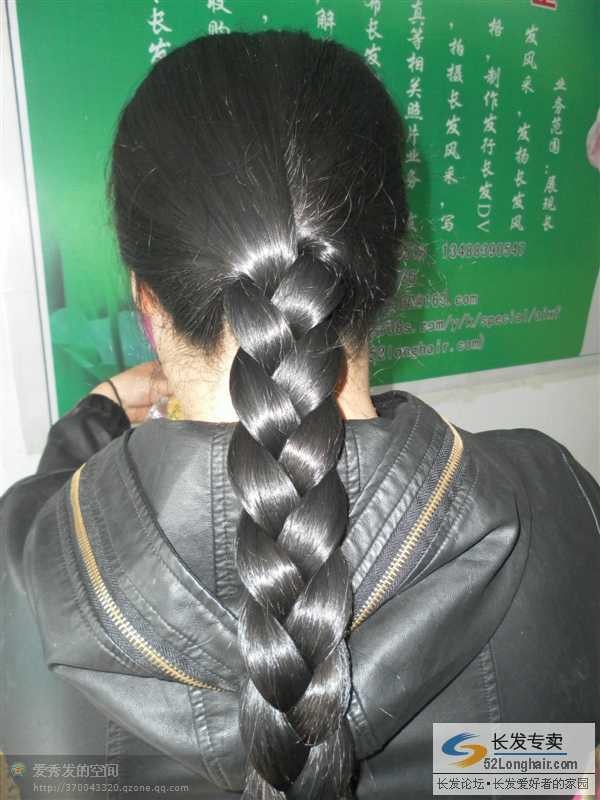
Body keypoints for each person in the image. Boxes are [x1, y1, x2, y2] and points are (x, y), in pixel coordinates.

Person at [1, 30, 599, 800]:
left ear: (145, 302)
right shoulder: (553, 500)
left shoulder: (28, 567)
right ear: (392, 269)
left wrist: (100, 414)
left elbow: (50, 522)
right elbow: (539, 762)